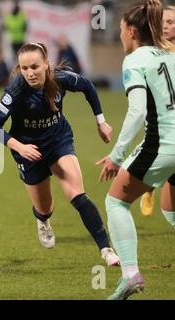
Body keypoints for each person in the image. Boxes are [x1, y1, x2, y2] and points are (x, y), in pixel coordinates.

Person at [0, 42, 120, 266]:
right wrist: (20, 147)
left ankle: (106, 250)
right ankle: (42, 220)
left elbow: (88, 86)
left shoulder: (60, 78)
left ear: (46, 64)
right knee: (45, 207)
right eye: (24, 68)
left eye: (35, 67)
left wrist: (101, 121)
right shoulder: (15, 90)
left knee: (78, 195)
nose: (29, 73)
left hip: (59, 141)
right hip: (28, 151)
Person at [96, 0, 175, 300]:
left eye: (119, 31)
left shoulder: (135, 60)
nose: (119, 37)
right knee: (171, 213)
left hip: (163, 144)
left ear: (130, 31)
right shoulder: (170, 54)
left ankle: (130, 275)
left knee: (116, 202)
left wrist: (116, 156)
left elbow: (138, 112)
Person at [140, 5, 175, 217]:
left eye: (171, 22)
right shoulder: (150, 50)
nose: (166, 26)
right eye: (163, 22)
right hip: (159, 115)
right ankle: (149, 188)